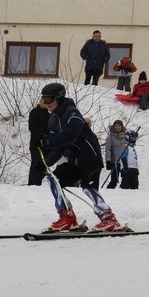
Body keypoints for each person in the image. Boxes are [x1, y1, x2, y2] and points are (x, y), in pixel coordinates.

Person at [37, 82, 122, 232]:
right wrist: (45, 163)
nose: (46, 104)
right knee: (54, 179)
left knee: (88, 188)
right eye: (43, 100)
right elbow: (59, 146)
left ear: (59, 98)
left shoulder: (72, 113)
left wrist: (49, 142)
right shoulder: (53, 120)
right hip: (75, 161)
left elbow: (70, 135)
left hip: (90, 157)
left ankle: (109, 219)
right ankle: (67, 218)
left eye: (48, 100)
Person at [27, 102, 49, 186]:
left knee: (43, 164)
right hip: (36, 144)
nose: (45, 104)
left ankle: (38, 184)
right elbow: (32, 127)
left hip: (46, 145)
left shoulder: (49, 115)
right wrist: (43, 136)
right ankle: (33, 184)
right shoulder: (34, 112)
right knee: (36, 163)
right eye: (43, 101)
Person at [103, 119, 127, 189]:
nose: (117, 127)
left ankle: (124, 192)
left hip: (124, 161)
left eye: (119, 125)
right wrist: (108, 161)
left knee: (126, 179)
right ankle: (109, 191)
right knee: (114, 180)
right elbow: (108, 149)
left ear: (122, 127)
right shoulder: (110, 137)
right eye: (115, 125)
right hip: (115, 162)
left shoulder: (126, 137)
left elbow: (130, 147)